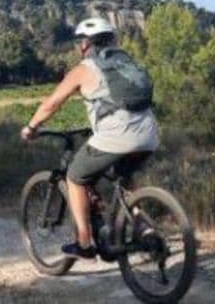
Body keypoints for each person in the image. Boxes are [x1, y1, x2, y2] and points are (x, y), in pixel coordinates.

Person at [20, 17, 159, 260]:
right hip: (149, 134)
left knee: (75, 176)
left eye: (79, 42)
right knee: (124, 182)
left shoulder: (84, 69)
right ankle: (144, 228)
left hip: (118, 135)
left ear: (86, 44)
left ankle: (84, 243)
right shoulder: (127, 63)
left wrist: (31, 127)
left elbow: (52, 104)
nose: (78, 47)